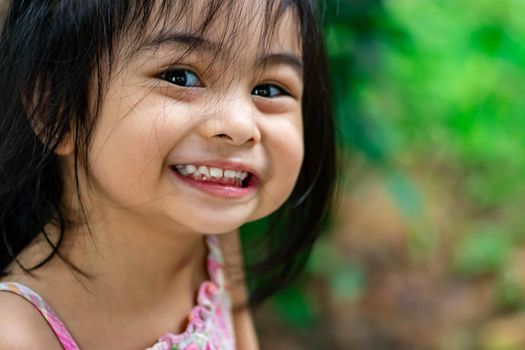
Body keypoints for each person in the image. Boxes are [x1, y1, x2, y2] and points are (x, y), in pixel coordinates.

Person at [0, 0, 337, 349]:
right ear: (55, 109)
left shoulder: (213, 238)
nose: (240, 126)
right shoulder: (19, 334)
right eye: (181, 77)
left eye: (268, 89)